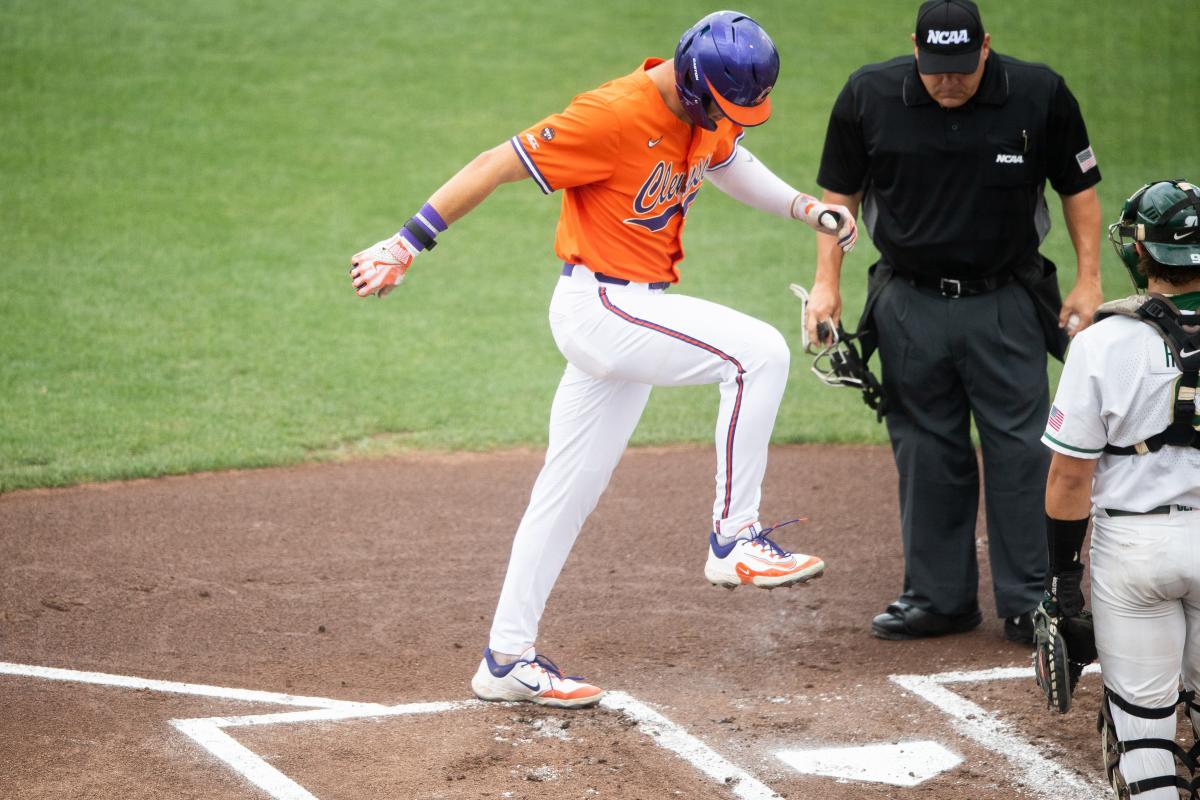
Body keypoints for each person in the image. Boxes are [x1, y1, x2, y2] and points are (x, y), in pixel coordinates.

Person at [349, 11, 857, 707]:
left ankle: (505, 660)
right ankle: (734, 539)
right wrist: (405, 243)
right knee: (758, 353)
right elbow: (497, 163)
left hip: (632, 315)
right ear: (691, 78)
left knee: (565, 495)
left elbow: (725, 158)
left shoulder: (709, 108)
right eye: (724, 105)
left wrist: (805, 209)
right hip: (602, 309)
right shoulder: (610, 115)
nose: (728, 118)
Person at [805, 0, 1103, 643]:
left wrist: (1089, 278)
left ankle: (1030, 600)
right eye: (937, 68)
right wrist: (826, 283)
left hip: (1006, 301)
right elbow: (839, 197)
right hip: (908, 303)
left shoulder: (1038, 93)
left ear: (986, 48)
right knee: (925, 448)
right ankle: (938, 598)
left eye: (962, 69)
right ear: (915, 49)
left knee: (1022, 450)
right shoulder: (869, 95)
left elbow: (1077, 189)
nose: (950, 81)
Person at [1040, 179, 1200, 799]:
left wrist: (1060, 583)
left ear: (1141, 251)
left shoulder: (1102, 342)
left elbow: (1070, 475)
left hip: (1136, 551)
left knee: (1145, 735)